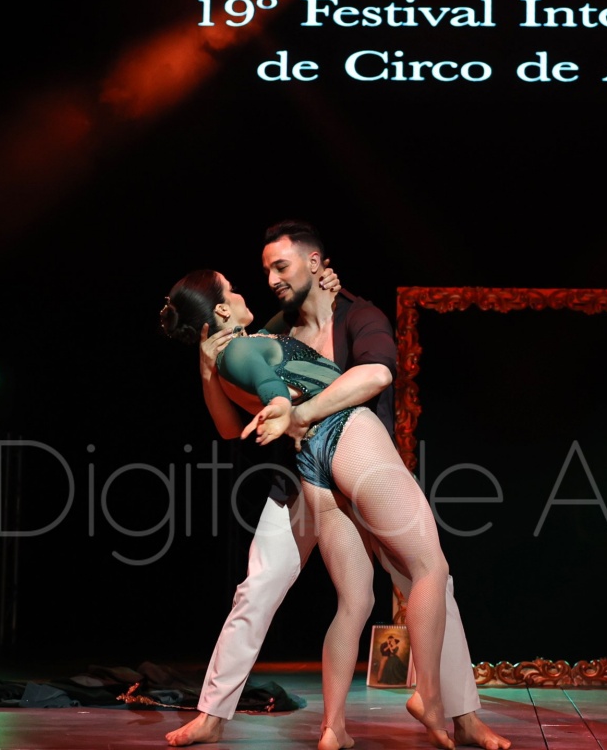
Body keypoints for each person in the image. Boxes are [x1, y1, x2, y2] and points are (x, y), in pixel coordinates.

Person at [165, 222, 510, 750]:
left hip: (351, 462)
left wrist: (296, 408)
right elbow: (241, 407)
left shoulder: (358, 315)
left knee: (419, 584)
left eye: (281, 267)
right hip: (302, 477)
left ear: (316, 264)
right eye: (266, 271)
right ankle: (215, 714)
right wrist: (208, 358)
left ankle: (460, 715)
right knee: (263, 587)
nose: (271, 280)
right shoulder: (271, 327)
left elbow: (373, 375)